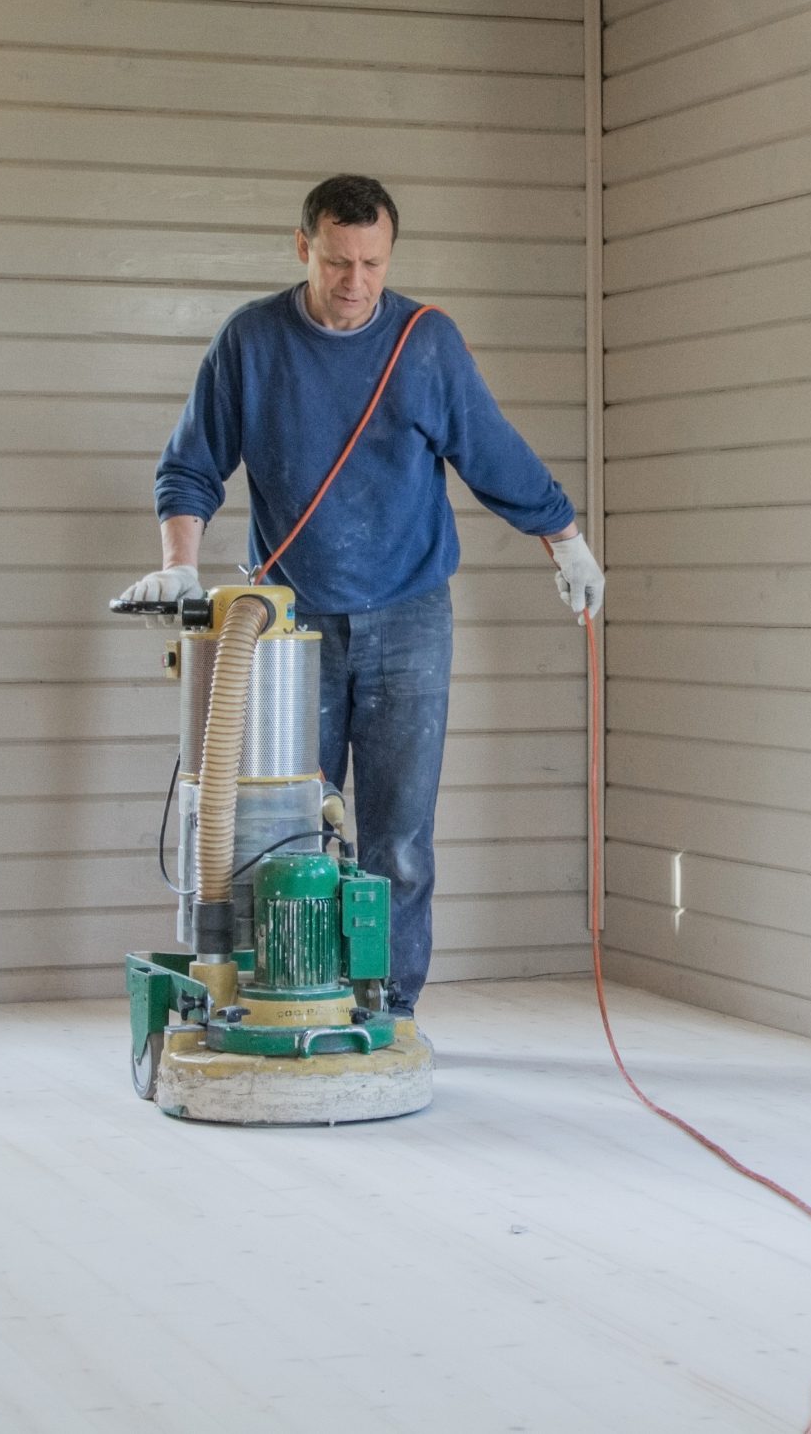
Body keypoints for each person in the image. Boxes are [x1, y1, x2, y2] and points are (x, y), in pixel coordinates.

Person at [123, 174, 603, 1022]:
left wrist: (566, 540)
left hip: (410, 615)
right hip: (286, 626)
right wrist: (181, 568)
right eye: (338, 261)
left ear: (390, 255)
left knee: (399, 839)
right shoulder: (253, 343)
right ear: (302, 246)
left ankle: (389, 1009)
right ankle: (277, 999)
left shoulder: (426, 344)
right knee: (277, 826)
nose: (355, 283)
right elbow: (191, 465)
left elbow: (493, 452)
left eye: (372, 263)